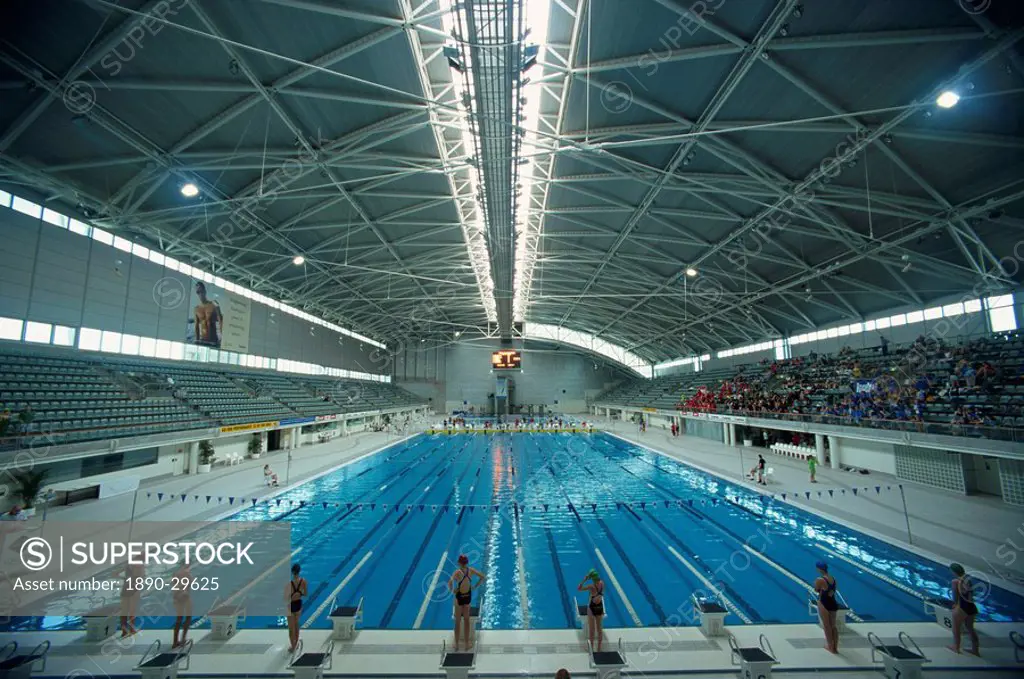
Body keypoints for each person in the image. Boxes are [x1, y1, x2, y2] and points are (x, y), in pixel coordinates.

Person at [448, 554, 485, 651]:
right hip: (467, 597)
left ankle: (456, 644)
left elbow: (450, 582)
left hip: (459, 597)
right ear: (467, 562)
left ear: (459, 563)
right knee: (467, 621)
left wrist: (453, 591)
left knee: (457, 621)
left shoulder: (457, 572)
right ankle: (467, 644)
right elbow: (482, 577)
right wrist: (475, 587)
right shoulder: (471, 570)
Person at [948, 563, 979, 656]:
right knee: (970, 629)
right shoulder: (968, 579)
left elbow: (955, 597)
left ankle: (956, 647)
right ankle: (975, 650)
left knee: (956, 628)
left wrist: (955, 605)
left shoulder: (955, 581)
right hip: (971, 606)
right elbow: (970, 595)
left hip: (962, 607)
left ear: (954, 572)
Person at [814, 561, 839, 654]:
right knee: (833, 626)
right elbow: (832, 591)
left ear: (819, 569)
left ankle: (830, 647)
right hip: (833, 603)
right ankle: (835, 648)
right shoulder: (833, 579)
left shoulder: (819, 579)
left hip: (823, 603)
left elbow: (816, 589)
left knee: (827, 626)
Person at [578, 569, 605, 652]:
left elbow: (579, 588)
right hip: (599, 607)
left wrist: (585, 579)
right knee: (599, 628)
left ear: (592, 578)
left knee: (592, 629)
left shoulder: (591, 586)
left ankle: (591, 648)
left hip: (592, 607)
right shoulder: (602, 583)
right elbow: (601, 594)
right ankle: (599, 649)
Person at [192, 281, 223, 348]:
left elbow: (221, 321)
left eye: (201, 291)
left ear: (205, 291)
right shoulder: (196, 309)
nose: (200, 294)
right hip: (202, 340)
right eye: (198, 292)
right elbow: (196, 326)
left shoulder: (214, 304)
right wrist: (197, 340)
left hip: (214, 340)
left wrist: (222, 338)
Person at [285, 563, 307, 653]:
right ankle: (296, 644)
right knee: (296, 625)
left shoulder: (289, 584)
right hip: (299, 604)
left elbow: (286, 598)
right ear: (299, 571)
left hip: (290, 605)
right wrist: (299, 594)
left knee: (291, 628)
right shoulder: (303, 581)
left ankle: (293, 647)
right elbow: (305, 594)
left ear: (292, 572)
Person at [120, 561, 144, 637]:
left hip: (125, 587)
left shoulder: (127, 565)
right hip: (133, 587)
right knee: (132, 611)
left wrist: (124, 578)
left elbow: (114, 574)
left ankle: (124, 631)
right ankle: (132, 630)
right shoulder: (139, 564)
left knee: (124, 611)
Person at [172, 561, 192, 648]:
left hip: (176, 597)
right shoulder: (187, 574)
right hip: (185, 597)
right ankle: (183, 639)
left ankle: (175, 641)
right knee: (188, 618)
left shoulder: (175, 574)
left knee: (178, 619)